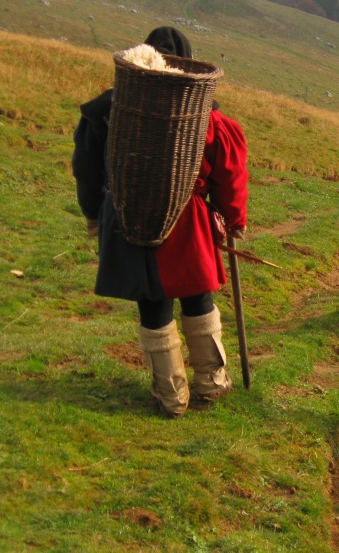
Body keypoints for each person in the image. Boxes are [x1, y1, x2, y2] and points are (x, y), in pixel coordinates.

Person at [72, 27, 248, 418]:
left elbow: (85, 168)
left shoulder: (105, 112)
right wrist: (234, 219)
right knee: (198, 297)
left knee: (152, 305)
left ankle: (171, 398)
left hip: (127, 217)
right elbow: (230, 174)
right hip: (188, 222)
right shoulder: (208, 119)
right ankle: (212, 383)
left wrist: (92, 215)